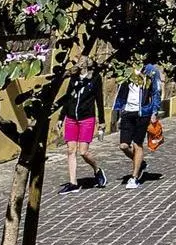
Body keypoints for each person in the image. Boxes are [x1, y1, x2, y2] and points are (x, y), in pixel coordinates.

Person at [113, 60, 164, 189]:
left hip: (143, 112)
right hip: (127, 111)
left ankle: (134, 177)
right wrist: (119, 110)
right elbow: (120, 89)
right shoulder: (126, 70)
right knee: (124, 146)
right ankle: (140, 162)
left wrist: (154, 111)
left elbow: (156, 91)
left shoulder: (151, 70)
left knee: (137, 144)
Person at [59, 58, 106, 193]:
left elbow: (99, 100)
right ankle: (73, 182)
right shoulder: (74, 79)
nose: (78, 65)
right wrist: (61, 117)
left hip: (87, 118)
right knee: (70, 150)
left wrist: (101, 121)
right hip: (71, 118)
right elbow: (67, 98)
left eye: (81, 63)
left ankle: (97, 170)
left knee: (83, 152)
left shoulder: (95, 79)